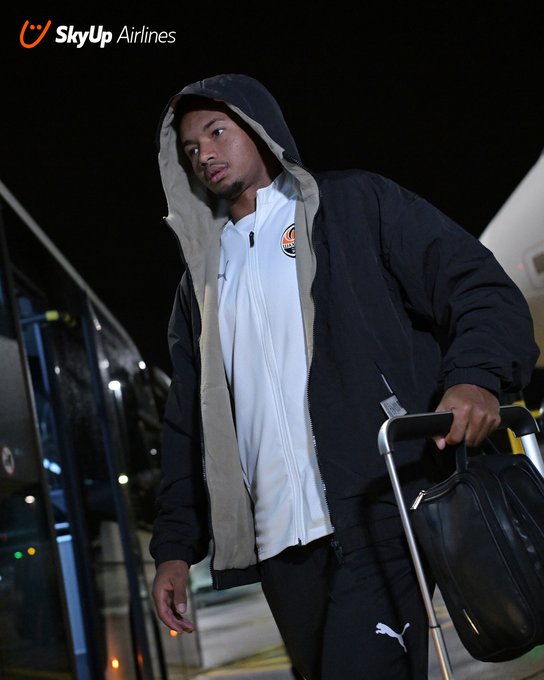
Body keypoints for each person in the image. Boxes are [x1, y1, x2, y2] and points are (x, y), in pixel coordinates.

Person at [149, 73, 539, 679]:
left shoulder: (355, 205)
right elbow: (187, 424)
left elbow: (480, 287)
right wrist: (175, 547)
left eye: (217, 132)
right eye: (190, 148)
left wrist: (476, 377)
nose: (204, 154)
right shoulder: (199, 285)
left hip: (380, 504)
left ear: (258, 128)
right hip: (278, 543)